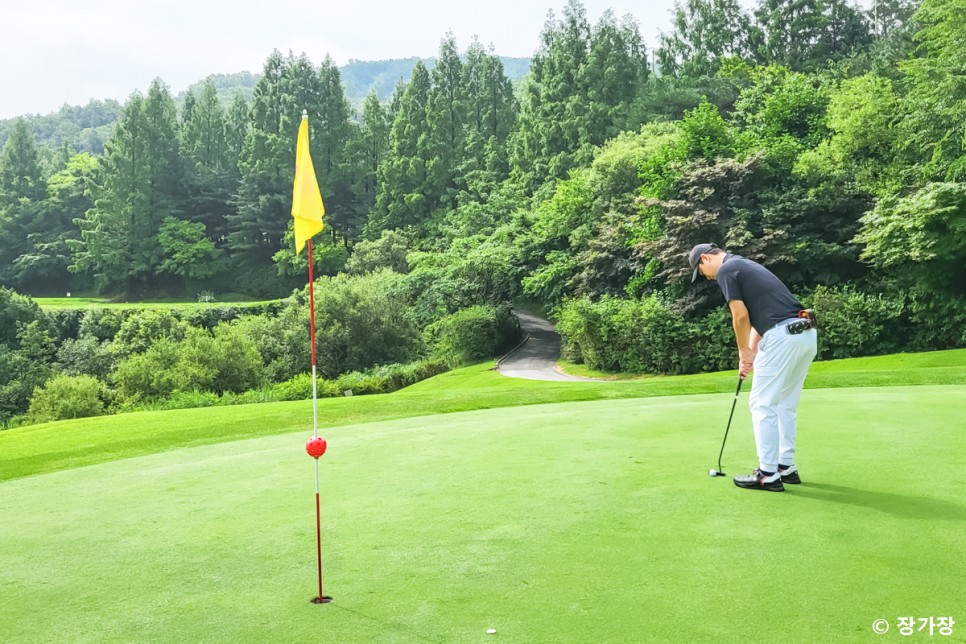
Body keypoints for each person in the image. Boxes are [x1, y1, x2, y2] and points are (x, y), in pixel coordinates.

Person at [688, 243, 817, 492]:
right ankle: (785, 467)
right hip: (804, 335)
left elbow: (740, 316)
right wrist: (749, 354)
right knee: (784, 405)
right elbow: (762, 317)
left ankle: (767, 474)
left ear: (705, 258)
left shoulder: (727, 270)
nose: (708, 277)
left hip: (783, 337)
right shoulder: (746, 266)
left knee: (761, 403)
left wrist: (743, 351)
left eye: (702, 271)